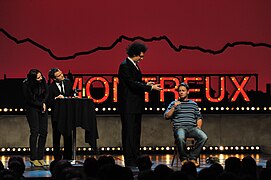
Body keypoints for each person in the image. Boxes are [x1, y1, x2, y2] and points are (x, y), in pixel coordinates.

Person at [118, 41, 162, 167]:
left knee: (136, 132)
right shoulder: (125, 65)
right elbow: (131, 83)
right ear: (134, 54)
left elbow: (136, 81)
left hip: (135, 105)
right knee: (129, 133)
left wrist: (147, 84)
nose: (142, 59)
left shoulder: (134, 65)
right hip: (128, 105)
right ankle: (130, 159)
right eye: (140, 56)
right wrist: (149, 89)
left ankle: (136, 157)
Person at [164, 82, 208, 167]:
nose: (181, 92)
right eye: (179, 91)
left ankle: (192, 158)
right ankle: (183, 159)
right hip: (179, 128)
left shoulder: (193, 104)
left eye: (183, 91)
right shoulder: (174, 103)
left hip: (192, 128)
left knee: (204, 137)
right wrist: (174, 107)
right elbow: (166, 116)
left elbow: (199, 117)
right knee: (180, 137)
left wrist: (198, 127)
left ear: (188, 92)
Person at [22, 69, 48, 167]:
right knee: (35, 131)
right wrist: (41, 104)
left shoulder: (43, 80)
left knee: (44, 132)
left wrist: (44, 103)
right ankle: (33, 158)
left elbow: (47, 93)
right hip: (32, 108)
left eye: (41, 76)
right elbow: (29, 99)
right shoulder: (26, 84)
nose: (41, 79)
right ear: (33, 79)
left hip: (42, 107)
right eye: (38, 78)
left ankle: (40, 157)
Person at [48, 68, 73, 160]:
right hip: (57, 115)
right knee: (57, 137)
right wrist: (56, 99)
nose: (62, 76)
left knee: (68, 136)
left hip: (67, 114)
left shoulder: (68, 82)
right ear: (54, 79)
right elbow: (49, 102)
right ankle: (57, 158)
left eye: (62, 73)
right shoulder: (50, 88)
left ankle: (68, 157)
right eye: (59, 75)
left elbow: (70, 94)